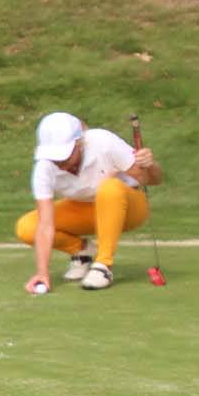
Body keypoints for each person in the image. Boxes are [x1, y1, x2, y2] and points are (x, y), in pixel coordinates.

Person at [19, 111, 161, 293]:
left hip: (130, 208)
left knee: (109, 187)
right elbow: (45, 225)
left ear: (79, 143)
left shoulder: (103, 142)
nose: (59, 162)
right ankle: (82, 251)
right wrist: (42, 273)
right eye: (54, 156)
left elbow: (153, 180)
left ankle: (103, 265)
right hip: (87, 210)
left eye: (64, 155)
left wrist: (150, 165)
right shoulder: (44, 167)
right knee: (27, 227)